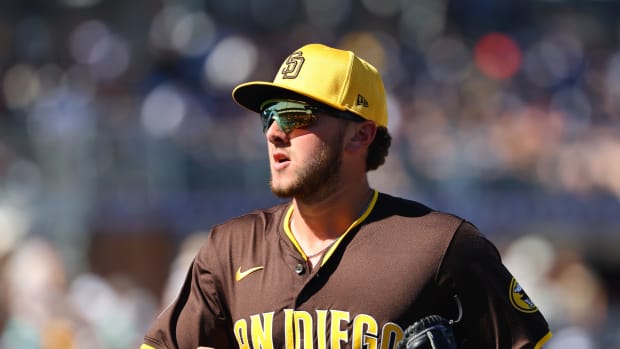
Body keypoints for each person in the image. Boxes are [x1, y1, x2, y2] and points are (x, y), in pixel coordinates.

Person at [140, 43, 552, 349]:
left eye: (295, 116)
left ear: (360, 133)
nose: (273, 132)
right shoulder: (229, 249)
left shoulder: (443, 246)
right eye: (269, 115)